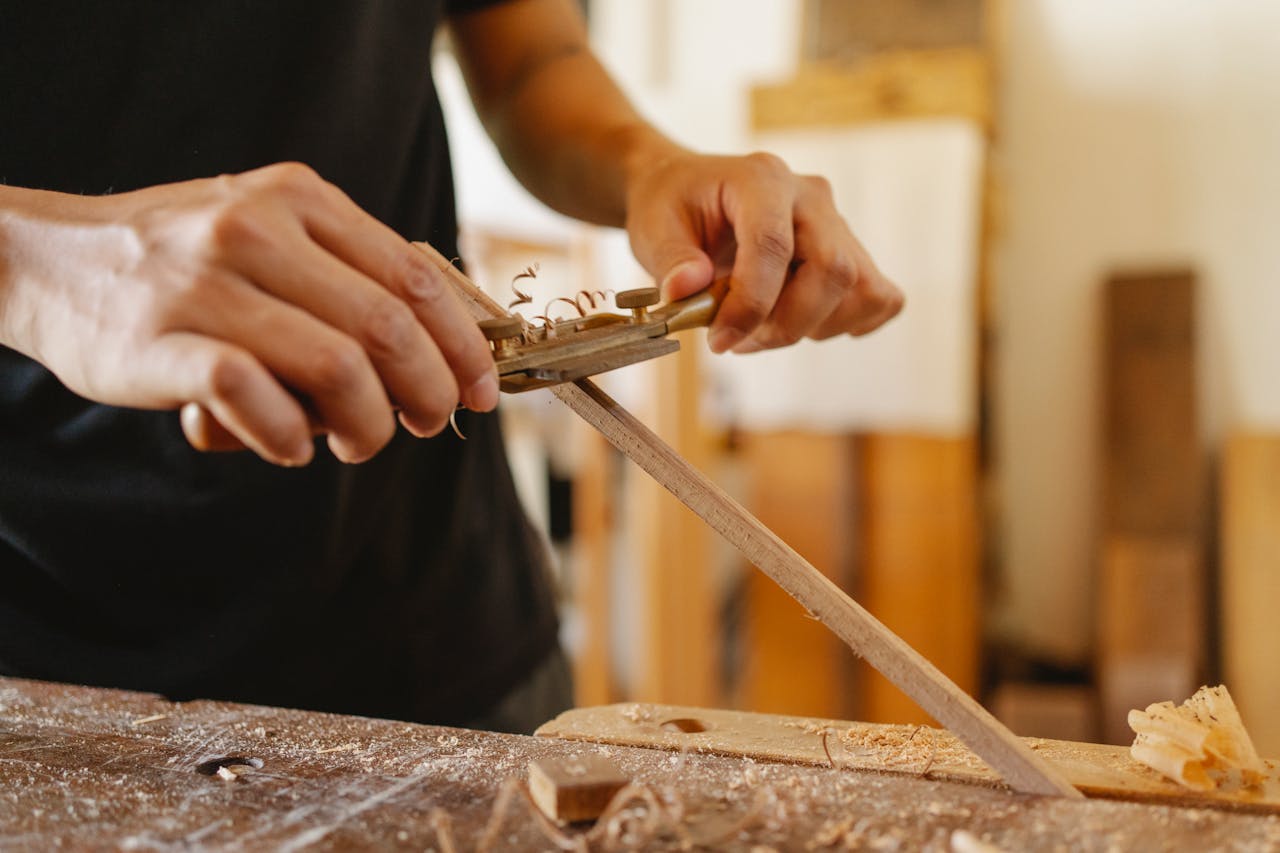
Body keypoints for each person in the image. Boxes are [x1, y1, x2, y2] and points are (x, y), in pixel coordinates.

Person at [0, 0, 902, 733]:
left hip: (430, 613)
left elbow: (529, 58)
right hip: (40, 652)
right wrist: (32, 262)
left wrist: (650, 164)